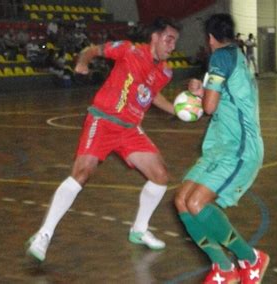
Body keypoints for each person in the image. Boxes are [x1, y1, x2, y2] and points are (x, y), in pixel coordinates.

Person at [26, 17, 183, 262]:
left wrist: (178, 109)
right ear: (154, 37)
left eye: (175, 41)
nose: (172, 46)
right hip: (103, 119)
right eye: (169, 39)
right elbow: (92, 50)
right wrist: (82, 64)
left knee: (161, 176)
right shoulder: (129, 50)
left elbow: (151, 95)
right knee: (82, 173)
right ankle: (43, 234)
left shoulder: (164, 71)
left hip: (130, 128)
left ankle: (139, 230)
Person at [174, 14, 269, 284]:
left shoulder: (220, 57)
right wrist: (201, 88)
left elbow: (209, 108)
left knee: (195, 203)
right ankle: (223, 268)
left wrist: (201, 97)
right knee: (181, 201)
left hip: (239, 148)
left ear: (210, 38)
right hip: (220, 147)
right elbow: (221, 94)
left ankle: (251, 259)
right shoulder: (232, 56)